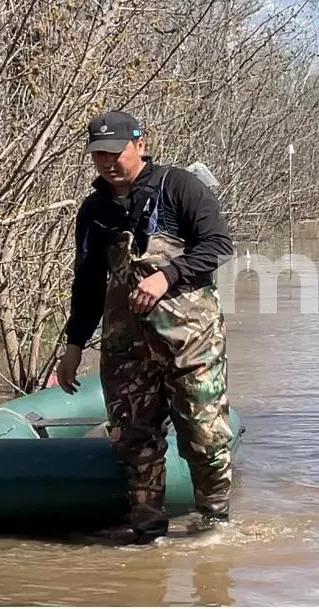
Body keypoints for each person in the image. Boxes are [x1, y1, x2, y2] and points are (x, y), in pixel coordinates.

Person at [56, 110, 235, 543]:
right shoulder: (95, 210)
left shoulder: (181, 188)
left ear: (140, 143)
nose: (107, 162)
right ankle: (148, 535)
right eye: (98, 154)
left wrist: (168, 274)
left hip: (190, 344)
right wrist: (75, 344)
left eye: (115, 152)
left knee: (204, 440)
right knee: (133, 444)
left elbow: (219, 244)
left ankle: (215, 525)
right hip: (127, 350)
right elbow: (88, 282)